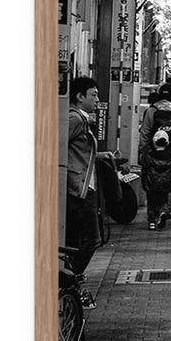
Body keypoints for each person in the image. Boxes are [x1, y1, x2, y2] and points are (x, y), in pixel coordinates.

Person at [65, 77, 101, 274]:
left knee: (76, 239)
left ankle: (69, 282)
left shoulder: (81, 118)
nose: (97, 100)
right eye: (93, 95)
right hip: (80, 188)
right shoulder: (75, 119)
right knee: (91, 239)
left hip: (82, 185)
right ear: (80, 96)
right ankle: (71, 280)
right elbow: (57, 145)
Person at [138, 106, 171, 229]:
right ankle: (163, 212)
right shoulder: (170, 156)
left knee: (151, 202)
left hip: (151, 183)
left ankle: (152, 222)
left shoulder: (149, 156)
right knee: (164, 200)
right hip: (166, 183)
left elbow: (144, 164)